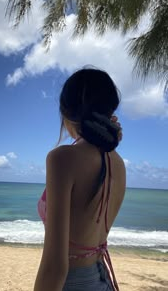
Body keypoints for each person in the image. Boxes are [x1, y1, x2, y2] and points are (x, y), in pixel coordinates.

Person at [34, 68, 126, 291]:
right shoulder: (118, 163)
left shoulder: (62, 158)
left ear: (66, 116)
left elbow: (55, 267)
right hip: (102, 279)